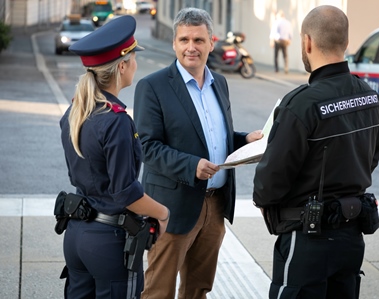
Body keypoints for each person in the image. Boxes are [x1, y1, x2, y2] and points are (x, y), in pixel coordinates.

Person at [253, 5, 379, 299]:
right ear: (346, 42)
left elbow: (268, 184)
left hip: (307, 239)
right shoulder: (371, 98)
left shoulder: (300, 104)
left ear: (307, 42)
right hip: (351, 237)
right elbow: (370, 160)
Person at [133, 7, 262, 299]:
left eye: (199, 40)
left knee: (198, 289)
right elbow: (147, 147)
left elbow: (216, 137)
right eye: (184, 40)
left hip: (214, 207)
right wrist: (191, 165)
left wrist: (246, 141)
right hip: (172, 207)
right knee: (158, 291)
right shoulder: (151, 87)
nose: (191, 47)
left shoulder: (221, 83)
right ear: (174, 43)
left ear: (211, 42)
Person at [59, 15, 170, 299]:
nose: (136, 64)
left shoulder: (75, 112)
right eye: (133, 58)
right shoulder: (116, 121)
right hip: (108, 243)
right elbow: (126, 193)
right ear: (122, 66)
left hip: (76, 235)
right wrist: (163, 212)